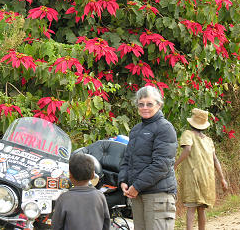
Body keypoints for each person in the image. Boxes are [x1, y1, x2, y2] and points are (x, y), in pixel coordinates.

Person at [118, 85, 177, 230]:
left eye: (149, 104)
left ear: (159, 105)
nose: (145, 107)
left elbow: (161, 164)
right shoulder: (136, 130)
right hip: (137, 195)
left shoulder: (165, 128)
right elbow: (127, 160)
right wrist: (123, 181)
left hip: (158, 196)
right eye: (141, 104)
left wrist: (136, 186)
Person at [174, 108, 228, 230]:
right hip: (207, 179)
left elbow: (187, 150)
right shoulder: (208, 140)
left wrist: (175, 164)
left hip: (193, 177)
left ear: (192, 122)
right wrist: (222, 179)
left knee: (191, 208)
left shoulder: (188, 134)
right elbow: (215, 160)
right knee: (202, 209)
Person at [52, 153, 110, 230]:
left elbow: (56, 226)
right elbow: (106, 223)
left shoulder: (63, 198)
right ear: (93, 175)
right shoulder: (100, 196)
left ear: (70, 175)